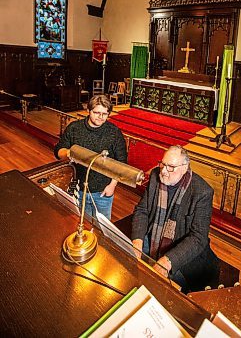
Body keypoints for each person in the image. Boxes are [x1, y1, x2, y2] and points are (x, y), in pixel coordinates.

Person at [131, 145, 219, 293]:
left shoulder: (202, 192)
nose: (164, 171)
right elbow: (142, 211)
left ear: (184, 168)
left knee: (168, 292)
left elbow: (198, 238)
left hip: (181, 250)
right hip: (154, 239)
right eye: (163, 164)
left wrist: (168, 261)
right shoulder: (155, 175)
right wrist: (137, 242)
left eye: (171, 167)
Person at [54, 94, 127, 220]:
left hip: (103, 191)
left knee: (103, 230)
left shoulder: (114, 132)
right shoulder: (74, 128)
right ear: (88, 111)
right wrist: (69, 153)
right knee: (81, 223)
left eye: (105, 114)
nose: (100, 117)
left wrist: (112, 185)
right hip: (78, 188)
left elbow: (122, 162)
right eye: (96, 113)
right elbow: (58, 151)